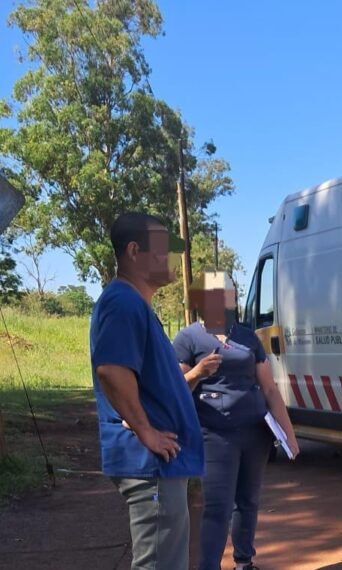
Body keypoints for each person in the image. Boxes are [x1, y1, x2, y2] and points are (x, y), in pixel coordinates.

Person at [90, 212, 204, 570]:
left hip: (159, 464)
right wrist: (145, 430)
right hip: (149, 463)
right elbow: (111, 370)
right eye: (164, 247)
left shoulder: (134, 304)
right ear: (134, 251)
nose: (173, 256)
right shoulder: (123, 302)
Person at [173, 271, 299, 570]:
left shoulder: (247, 337)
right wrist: (198, 372)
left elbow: (269, 389)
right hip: (214, 435)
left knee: (248, 501)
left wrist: (289, 434)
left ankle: (244, 562)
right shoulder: (188, 338)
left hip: (255, 433)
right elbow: (176, 389)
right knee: (218, 506)